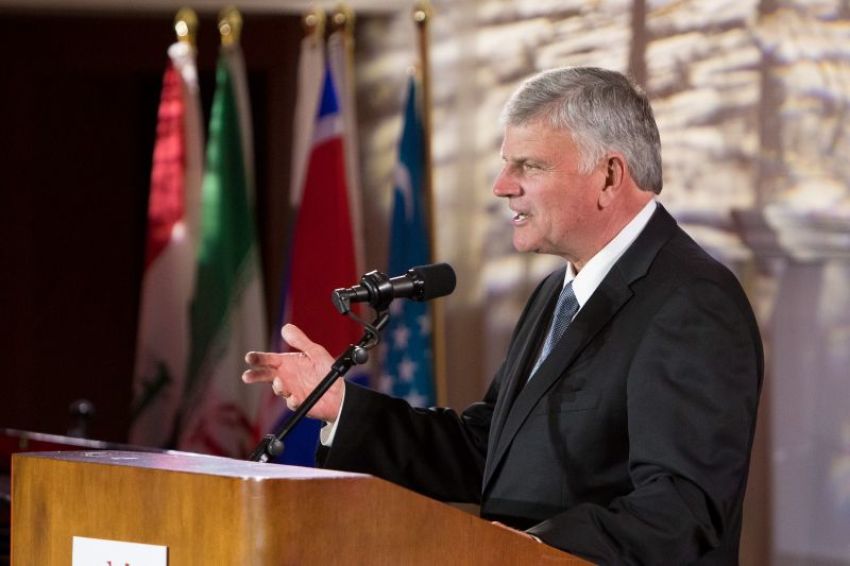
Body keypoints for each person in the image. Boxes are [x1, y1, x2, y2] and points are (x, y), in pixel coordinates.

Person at [243, 67, 763, 565]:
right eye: (506, 163)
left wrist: (533, 550)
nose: (500, 185)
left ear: (608, 176)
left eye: (529, 166)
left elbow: (682, 508)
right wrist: (341, 405)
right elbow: (489, 450)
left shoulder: (691, 301)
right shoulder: (554, 293)